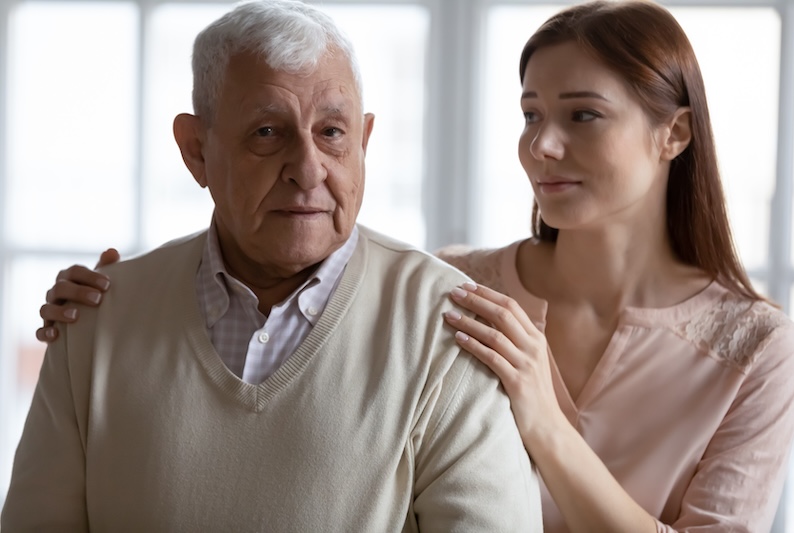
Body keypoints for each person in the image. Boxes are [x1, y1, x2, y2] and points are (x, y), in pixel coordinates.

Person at [30, 0, 794, 531]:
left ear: (674, 135)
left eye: (583, 115)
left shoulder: (759, 350)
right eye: (531, 113)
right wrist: (123, 301)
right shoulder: (458, 291)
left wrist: (544, 421)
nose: (541, 144)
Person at [1, 1, 543, 530]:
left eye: (332, 132)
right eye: (267, 132)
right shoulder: (95, 319)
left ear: (364, 141)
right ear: (196, 151)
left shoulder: (450, 331)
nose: (308, 169)